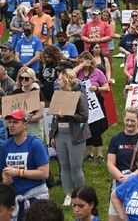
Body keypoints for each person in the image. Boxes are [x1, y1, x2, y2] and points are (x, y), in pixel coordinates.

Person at [48, 69, 91, 206]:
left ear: (66, 80)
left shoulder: (79, 96)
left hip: (75, 135)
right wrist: (52, 136)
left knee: (76, 166)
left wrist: (67, 114)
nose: (58, 81)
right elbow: (55, 118)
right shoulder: (58, 94)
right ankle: (68, 194)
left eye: (60, 79)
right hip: (61, 134)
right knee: (64, 165)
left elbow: (84, 117)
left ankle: (80, 195)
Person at [0, 109, 49, 221]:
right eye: (10, 122)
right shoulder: (5, 146)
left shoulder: (35, 144)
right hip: (15, 198)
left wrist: (18, 172)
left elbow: (44, 173)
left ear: (25, 124)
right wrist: (4, 176)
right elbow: (3, 169)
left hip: (35, 197)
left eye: (15, 122)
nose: (11, 125)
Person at [106, 107, 138, 221]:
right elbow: (110, 163)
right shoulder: (115, 139)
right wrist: (121, 178)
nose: (129, 123)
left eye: (132, 120)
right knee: (114, 217)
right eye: (127, 120)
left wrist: (131, 177)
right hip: (119, 182)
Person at [73, 52, 110, 162]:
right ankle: (89, 153)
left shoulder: (97, 72)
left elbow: (107, 87)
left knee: (96, 128)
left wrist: (97, 89)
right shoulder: (77, 73)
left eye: (87, 61)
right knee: (86, 127)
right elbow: (69, 75)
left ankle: (99, 154)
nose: (85, 63)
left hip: (95, 102)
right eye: (82, 61)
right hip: (82, 104)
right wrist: (80, 66)